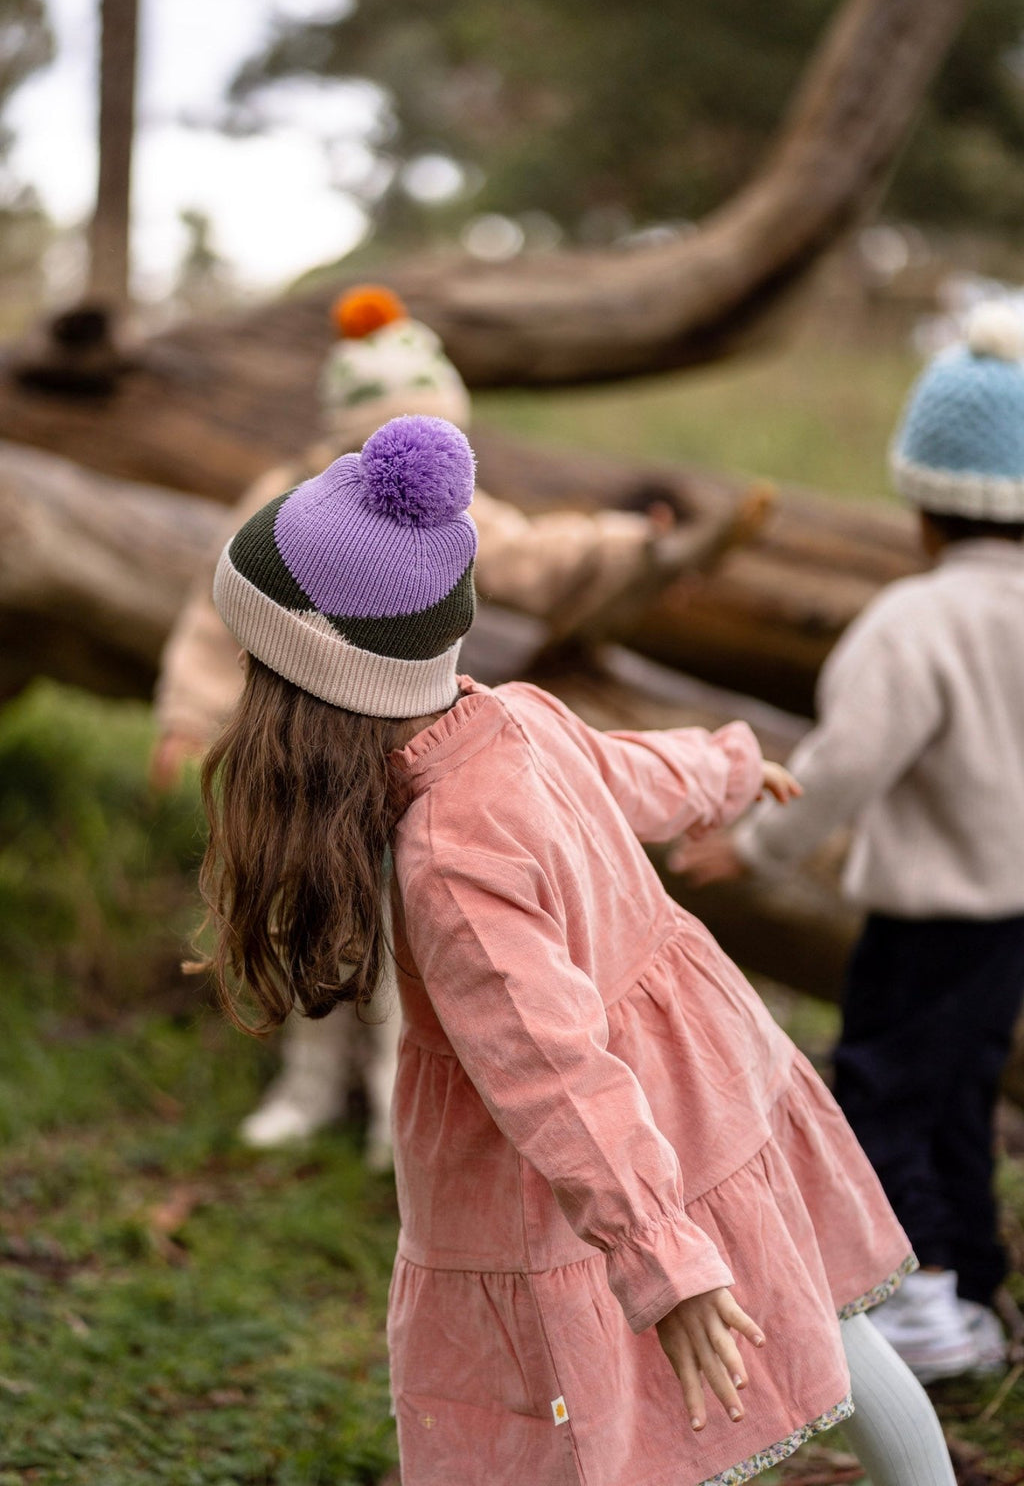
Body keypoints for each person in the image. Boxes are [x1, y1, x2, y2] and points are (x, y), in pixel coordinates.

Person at [192, 412, 957, 1486]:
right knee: (816, 1313)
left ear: (310, 683)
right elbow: (629, 770)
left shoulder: (448, 860)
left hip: (578, 1162)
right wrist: (727, 769)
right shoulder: (516, 718)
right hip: (698, 1077)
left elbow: (554, 1070)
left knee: (560, 1412)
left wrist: (659, 1258)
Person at [154, 284, 766, 1157]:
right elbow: (219, 612)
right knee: (304, 916)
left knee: (401, 940)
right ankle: (308, 1084)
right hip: (303, 772)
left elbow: (531, 552)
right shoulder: (290, 502)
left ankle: (395, 1107)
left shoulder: (448, 517)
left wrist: (630, 546)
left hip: (402, 770)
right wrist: (188, 710)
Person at [674, 303, 1024, 1385]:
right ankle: (974, 1292)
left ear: (920, 505)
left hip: (926, 921)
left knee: (877, 1089)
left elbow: (844, 761)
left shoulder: (914, 624)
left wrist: (758, 846)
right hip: (1009, 919)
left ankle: (920, 1310)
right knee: (959, 1092)